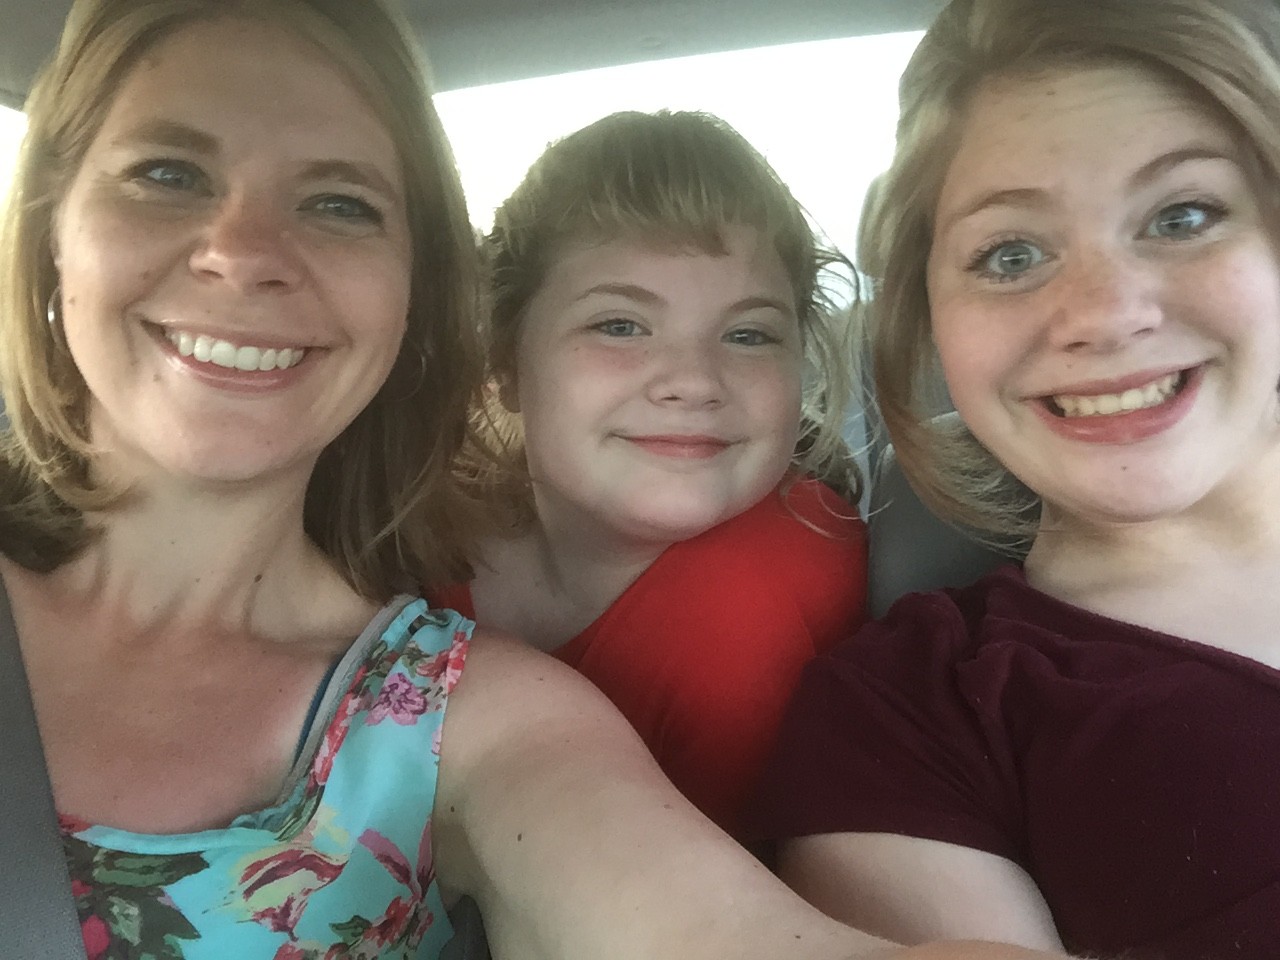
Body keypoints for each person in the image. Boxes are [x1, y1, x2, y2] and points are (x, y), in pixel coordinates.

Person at [0, 1, 1079, 958]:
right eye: (166, 174)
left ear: (411, 296)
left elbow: (697, 912)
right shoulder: (432, 547)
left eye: (338, 204)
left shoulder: (458, 710)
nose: (239, 252)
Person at [756, 0, 1280, 957]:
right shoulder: (907, 718)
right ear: (927, 321)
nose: (1104, 314)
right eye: (1010, 255)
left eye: (1184, 215)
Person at [433, 109, 867, 839]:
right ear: (506, 364)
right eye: (621, 326)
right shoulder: (412, 543)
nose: (693, 380)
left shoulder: (753, 595)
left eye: (748, 334)